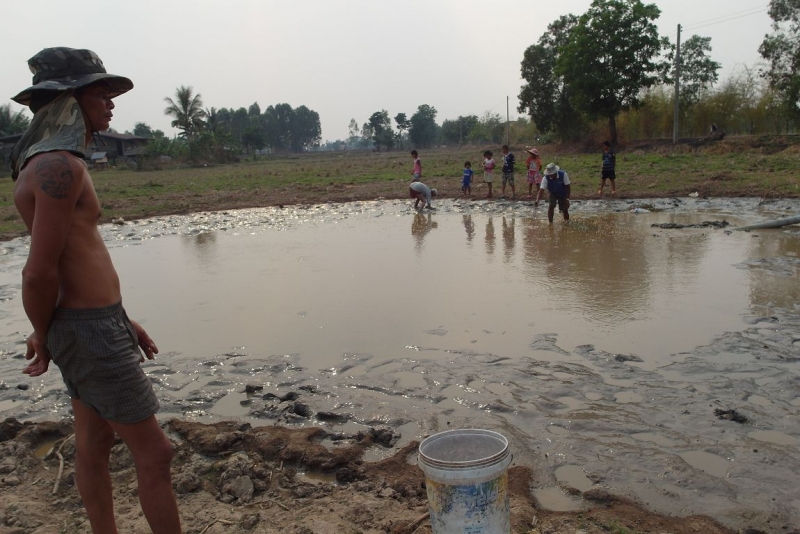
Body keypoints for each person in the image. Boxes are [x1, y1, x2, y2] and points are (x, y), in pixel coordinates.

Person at [10, 48, 181, 534]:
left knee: (93, 443)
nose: (110, 102)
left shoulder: (51, 163)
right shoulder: (58, 166)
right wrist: (45, 334)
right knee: (156, 453)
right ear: (68, 99)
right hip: (89, 331)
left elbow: (72, 263)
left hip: (94, 323)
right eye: (100, 93)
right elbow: (38, 273)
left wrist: (119, 319)